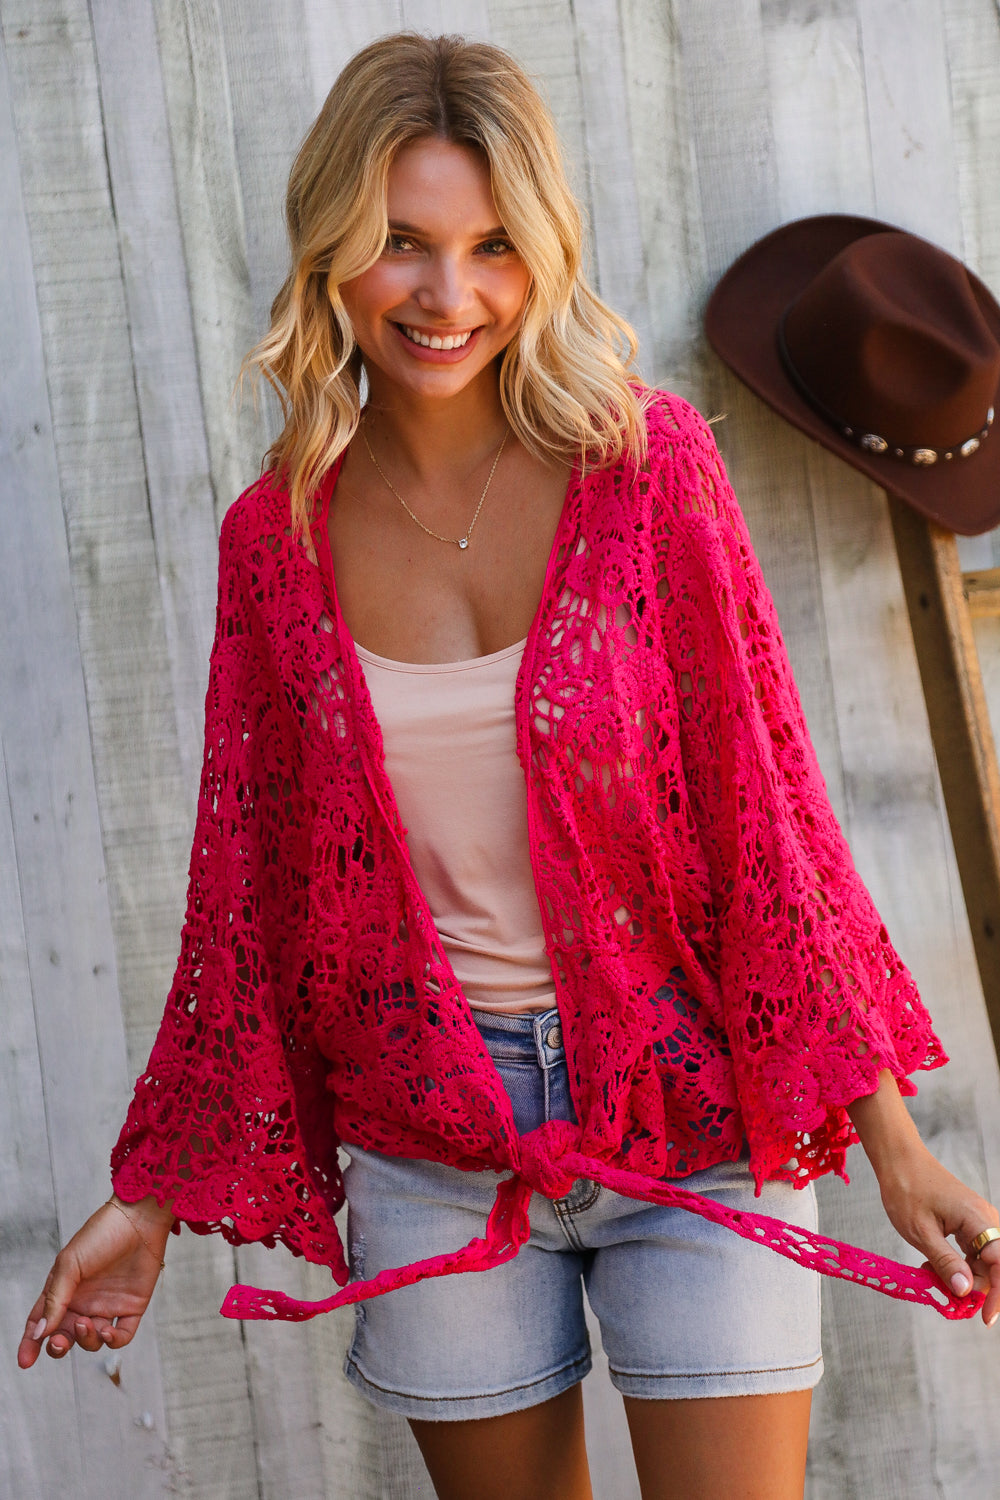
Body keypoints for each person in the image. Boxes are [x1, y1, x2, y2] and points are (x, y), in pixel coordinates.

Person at [17, 32, 1000, 1500]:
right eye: (402, 245)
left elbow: (771, 834)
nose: (450, 294)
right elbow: (252, 903)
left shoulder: (651, 472)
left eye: (491, 247)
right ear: (331, 249)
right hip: (432, 1140)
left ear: (541, 250)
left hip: (695, 1122)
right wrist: (149, 1196)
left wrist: (895, 1143)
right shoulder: (274, 548)